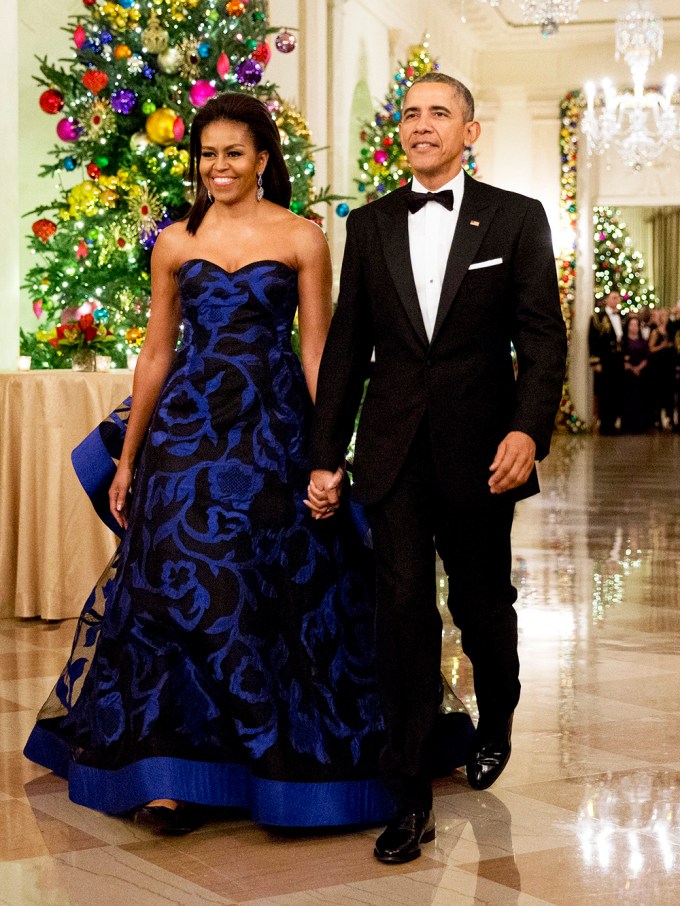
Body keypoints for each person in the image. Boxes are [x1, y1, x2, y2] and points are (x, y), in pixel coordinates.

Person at [25, 92, 405, 834]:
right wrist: (129, 458)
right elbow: (158, 351)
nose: (218, 167)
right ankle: (167, 773)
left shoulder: (303, 238)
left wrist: (331, 450)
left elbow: (317, 348)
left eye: (233, 153)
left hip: (271, 435)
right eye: (207, 154)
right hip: (184, 435)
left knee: (254, 590)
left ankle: (262, 759)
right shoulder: (173, 242)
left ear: (262, 158)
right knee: (170, 581)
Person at [307, 72, 567, 864]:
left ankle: (498, 714)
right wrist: (325, 457)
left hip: (482, 449)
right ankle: (409, 791)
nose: (422, 125)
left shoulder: (517, 220)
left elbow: (543, 340)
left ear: (469, 130)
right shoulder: (372, 224)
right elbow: (348, 346)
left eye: (439, 114)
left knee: (484, 603)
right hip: (391, 452)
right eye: (413, 114)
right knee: (403, 613)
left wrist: (527, 431)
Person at [588, 290, 625, 434]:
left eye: (618, 298)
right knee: (604, 392)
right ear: (607, 300)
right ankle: (605, 424)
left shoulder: (622, 317)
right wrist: (595, 362)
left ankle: (613, 422)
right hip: (605, 361)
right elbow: (592, 340)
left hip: (618, 361)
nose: (616, 300)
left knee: (616, 392)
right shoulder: (598, 318)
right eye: (613, 298)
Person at [620, 314, 650, 434]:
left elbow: (647, 357)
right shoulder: (623, 341)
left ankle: (639, 426)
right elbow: (621, 357)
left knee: (639, 400)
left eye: (636, 325)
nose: (633, 327)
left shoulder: (643, 341)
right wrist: (631, 368)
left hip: (640, 375)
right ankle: (627, 426)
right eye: (631, 325)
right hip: (627, 375)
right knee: (627, 400)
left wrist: (638, 368)